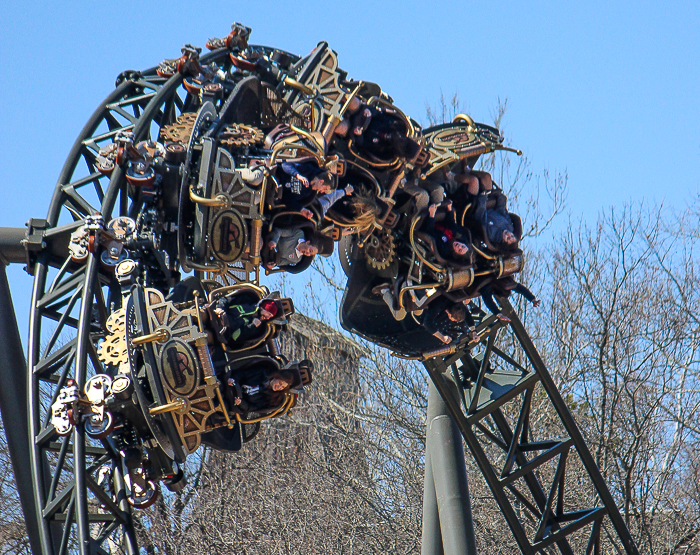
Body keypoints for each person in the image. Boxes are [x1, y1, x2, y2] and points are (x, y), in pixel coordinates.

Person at [206, 297, 279, 346]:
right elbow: (225, 299)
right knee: (201, 315)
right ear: (262, 308)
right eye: (269, 314)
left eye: (270, 316)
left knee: (205, 337)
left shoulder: (257, 328)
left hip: (220, 333)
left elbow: (236, 337)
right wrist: (220, 308)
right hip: (214, 315)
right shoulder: (247, 301)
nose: (268, 317)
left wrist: (252, 326)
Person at [224, 367, 296, 414]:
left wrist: (241, 403)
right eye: (280, 383)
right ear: (276, 377)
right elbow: (243, 373)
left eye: (282, 387)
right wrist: (234, 379)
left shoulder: (269, 398)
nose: (279, 387)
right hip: (231, 384)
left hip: (234, 401)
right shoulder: (262, 373)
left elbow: (252, 407)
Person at [265, 229, 333, 268]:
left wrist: (273, 264)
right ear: (308, 242)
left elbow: (280, 262)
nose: (307, 253)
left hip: (268, 253)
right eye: (310, 250)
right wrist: (274, 241)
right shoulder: (299, 234)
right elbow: (279, 231)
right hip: (269, 238)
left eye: (310, 254)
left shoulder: (297, 259)